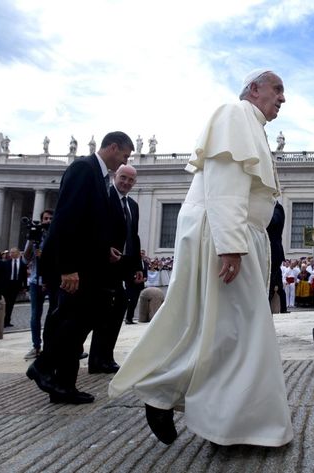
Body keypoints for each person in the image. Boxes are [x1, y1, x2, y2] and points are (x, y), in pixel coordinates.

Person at [109, 69, 293, 447]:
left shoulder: (253, 125)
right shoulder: (235, 113)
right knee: (229, 329)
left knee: (234, 331)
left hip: (239, 235)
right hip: (227, 234)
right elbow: (226, 183)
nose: (283, 99)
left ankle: (227, 422)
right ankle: (162, 391)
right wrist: (231, 243)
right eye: (278, 90)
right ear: (254, 89)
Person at [27, 131, 134, 405]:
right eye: (125, 155)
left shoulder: (97, 177)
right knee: (75, 320)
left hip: (87, 262)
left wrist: (103, 249)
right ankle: (43, 368)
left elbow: (88, 225)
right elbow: (66, 218)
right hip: (73, 266)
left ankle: (63, 384)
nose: (124, 160)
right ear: (112, 147)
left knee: (79, 320)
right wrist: (67, 268)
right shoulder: (83, 169)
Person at [89, 163, 143, 374]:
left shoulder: (133, 206)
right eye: (123, 178)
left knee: (118, 309)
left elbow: (134, 238)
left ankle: (106, 356)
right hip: (105, 265)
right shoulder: (105, 198)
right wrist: (104, 250)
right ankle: (97, 359)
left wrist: (138, 266)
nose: (126, 182)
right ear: (115, 176)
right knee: (102, 314)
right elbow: (95, 228)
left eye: (131, 180)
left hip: (124, 266)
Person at [23, 209, 56, 360]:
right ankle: (36, 346)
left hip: (52, 280)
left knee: (56, 313)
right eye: (45, 218)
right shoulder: (35, 236)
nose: (48, 221)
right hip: (36, 280)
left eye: (50, 218)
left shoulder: (57, 235)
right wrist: (31, 238)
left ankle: (53, 345)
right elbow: (25, 259)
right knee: (35, 315)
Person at [267, 200, 287, 313]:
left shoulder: (277, 208)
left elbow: (273, 222)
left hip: (274, 253)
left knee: (271, 287)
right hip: (266, 250)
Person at [3, 247, 27, 328]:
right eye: (11, 252)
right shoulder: (6, 263)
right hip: (7, 285)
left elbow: (24, 276)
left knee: (11, 304)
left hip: (16, 285)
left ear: (18, 253)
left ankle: (7, 321)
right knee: (5, 303)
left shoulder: (23, 264)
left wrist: (25, 286)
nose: (12, 254)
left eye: (13, 252)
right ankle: (2, 320)